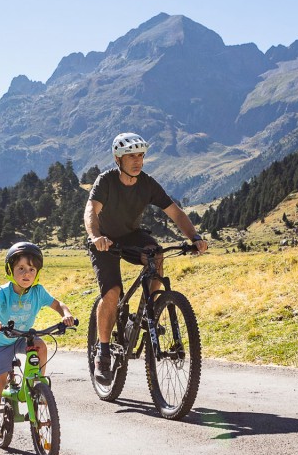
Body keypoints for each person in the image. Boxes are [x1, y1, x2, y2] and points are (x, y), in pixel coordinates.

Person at [85, 132, 207, 384]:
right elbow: (91, 210)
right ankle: (103, 352)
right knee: (112, 293)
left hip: (131, 236)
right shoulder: (106, 181)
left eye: (140, 155)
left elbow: (175, 211)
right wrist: (96, 236)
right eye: (131, 156)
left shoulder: (147, 183)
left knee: (157, 254)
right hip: (105, 241)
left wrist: (194, 236)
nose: (137, 161)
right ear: (118, 158)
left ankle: (151, 307)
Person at [0, 241, 75, 439]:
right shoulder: (4, 291)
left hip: (24, 337)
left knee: (40, 345)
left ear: (37, 272)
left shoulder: (38, 291)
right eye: (21, 268)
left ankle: (38, 385)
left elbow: (59, 305)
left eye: (31, 269)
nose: (26, 274)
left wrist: (66, 315)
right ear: (10, 270)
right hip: (3, 340)